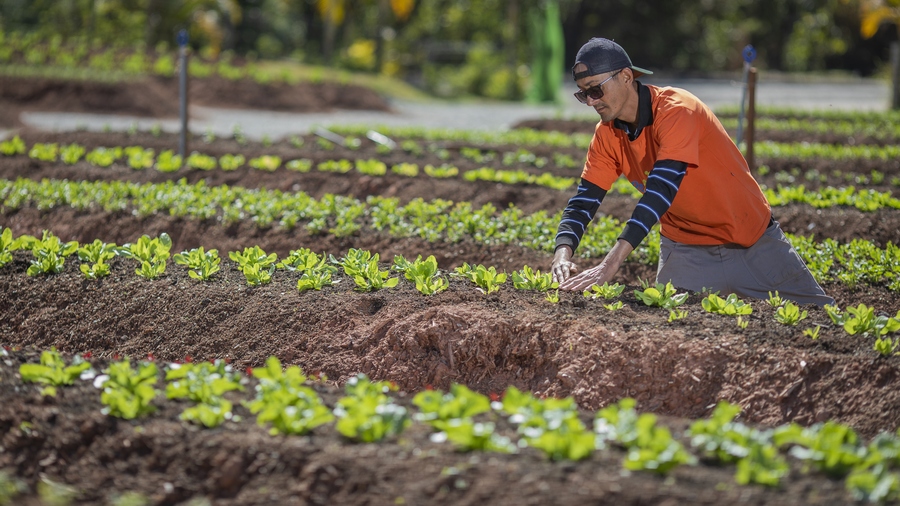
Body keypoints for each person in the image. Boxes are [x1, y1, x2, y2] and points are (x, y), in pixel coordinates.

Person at [550, 37, 834, 307]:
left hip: (752, 240)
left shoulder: (677, 109)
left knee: (822, 322)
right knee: (668, 339)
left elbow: (660, 190)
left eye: (595, 90)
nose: (590, 101)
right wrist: (561, 256)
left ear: (626, 76)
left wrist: (609, 265)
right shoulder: (606, 135)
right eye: (582, 94)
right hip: (685, 250)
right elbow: (584, 201)